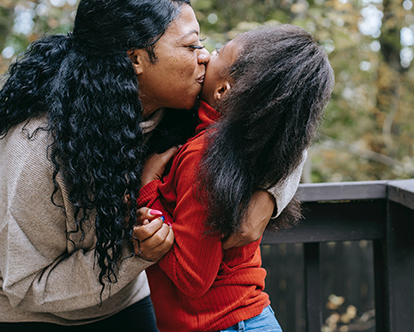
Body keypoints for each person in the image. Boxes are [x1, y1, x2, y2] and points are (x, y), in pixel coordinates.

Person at [0, 0, 300, 331]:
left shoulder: (179, 106)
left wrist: (269, 195)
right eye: (190, 46)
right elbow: (26, 284)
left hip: (120, 290)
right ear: (135, 59)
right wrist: (133, 254)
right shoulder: (37, 147)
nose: (204, 57)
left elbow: (282, 117)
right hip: (23, 309)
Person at [137, 24, 335, 332]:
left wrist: (148, 188)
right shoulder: (243, 144)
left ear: (223, 91)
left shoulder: (202, 155)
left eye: (215, 52)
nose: (203, 55)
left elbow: (193, 277)